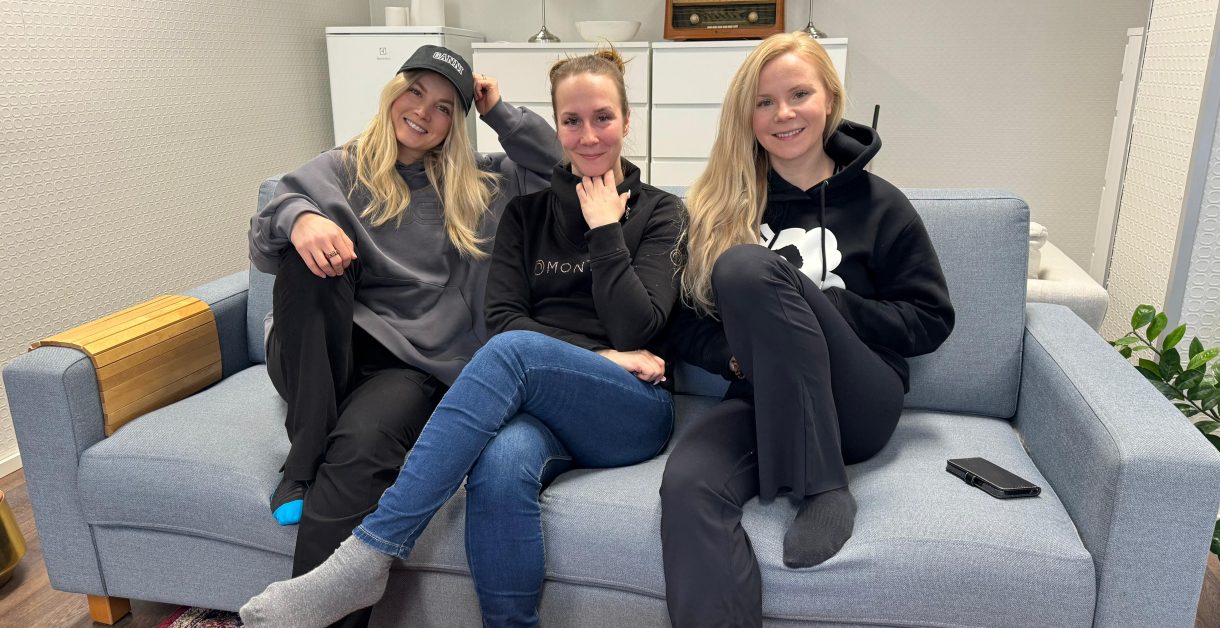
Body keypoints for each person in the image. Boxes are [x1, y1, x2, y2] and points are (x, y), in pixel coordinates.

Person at [240, 48, 684, 628]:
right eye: (571, 120)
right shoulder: (523, 214)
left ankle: (368, 554)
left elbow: (636, 329)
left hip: (625, 401)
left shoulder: (659, 211)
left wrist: (603, 228)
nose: (588, 135)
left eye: (603, 117)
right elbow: (505, 319)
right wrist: (301, 218)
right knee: (497, 465)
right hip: (509, 397)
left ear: (627, 121)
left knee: (504, 357)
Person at [659, 32, 955, 627]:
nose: (783, 113)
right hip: (762, 398)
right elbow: (680, 324)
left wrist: (835, 307)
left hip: (859, 403)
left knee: (744, 266)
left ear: (830, 100)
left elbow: (931, 319)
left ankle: (823, 486)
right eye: (764, 102)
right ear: (746, 116)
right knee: (687, 486)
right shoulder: (720, 205)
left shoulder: (881, 205)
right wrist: (735, 359)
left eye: (799, 94)